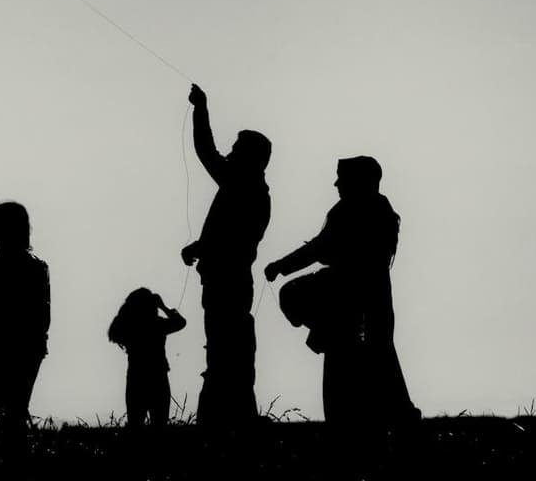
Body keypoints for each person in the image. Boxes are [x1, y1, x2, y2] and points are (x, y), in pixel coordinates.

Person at [264, 156, 420, 425]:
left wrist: (282, 266)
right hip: (371, 303)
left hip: (349, 305)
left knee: (351, 370)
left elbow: (320, 248)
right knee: (381, 365)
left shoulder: (352, 211)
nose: (336, 183)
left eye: (342, 177)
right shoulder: (380, 210)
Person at [179, 84, 272, 430]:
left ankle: (221, 421)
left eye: (236, 149)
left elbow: (205, 150)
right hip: (229, 279)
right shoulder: (251, 190)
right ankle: (233, 418)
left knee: (223, 351)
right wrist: (201, 247)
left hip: (226, 281)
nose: (229, 154)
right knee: (228, 349)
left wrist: (201, 107)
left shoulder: (242, 186)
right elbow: (232, 235)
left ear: (251, 157)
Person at [0, 201, 50, 432]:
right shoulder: (37, 269)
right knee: (14, 408)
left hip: (4, 351)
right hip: (23, 350)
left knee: (12, 409)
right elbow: (43, 317)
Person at [108, 288, 187, 428]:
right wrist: (164, 306)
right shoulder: (157, 324)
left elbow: (113, 332)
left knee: (135, 426)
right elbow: (180, 322)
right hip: (158, 378)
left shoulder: (128, 326)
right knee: (159, 426)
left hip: (135, 378)